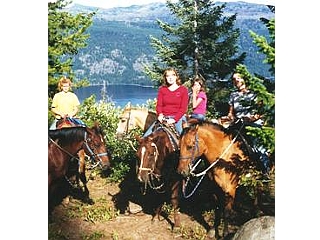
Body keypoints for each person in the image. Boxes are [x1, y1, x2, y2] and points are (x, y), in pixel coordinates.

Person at [226, 72, 270, 175]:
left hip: (253, 124)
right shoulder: (233, 95)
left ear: (244, 79)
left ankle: (265, 170)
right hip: (239, 123)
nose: (236, 80)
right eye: (234, 79)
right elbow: (231, 112)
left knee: (258, 146)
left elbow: (261, 112)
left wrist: (252, 118)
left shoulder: (253, 94)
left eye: (239, 78)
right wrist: (229, 117)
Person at [143, 67, 189, 137]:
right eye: (168, 76)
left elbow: (183, 109)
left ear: (176, 77)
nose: (170, 78)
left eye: (172, 75)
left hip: (177, 118)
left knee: (181, 139)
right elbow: (159, 106)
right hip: (163, 118)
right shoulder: (162, 90)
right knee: (145, 138)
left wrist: (174, 119)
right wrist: (160, 115)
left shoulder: (183, 90)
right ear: (165, 78)